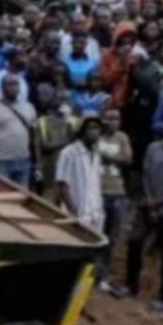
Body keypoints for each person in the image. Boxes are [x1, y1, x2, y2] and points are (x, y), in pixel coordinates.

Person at [127, 117, 163, 313]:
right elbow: (146, 175)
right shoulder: (153, 148)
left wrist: (158, 204)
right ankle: (131, 285)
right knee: (134, 241)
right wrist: (150, 200)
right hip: (147, 206)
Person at [56, 118, 109, 283]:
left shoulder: (96, 153)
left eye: (97, 128)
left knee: (90, 256)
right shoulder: (69, 152)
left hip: (95, 212)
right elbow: (62, 183)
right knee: (73, 255)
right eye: (90, 128)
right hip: (77, 213)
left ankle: (84, 290)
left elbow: (95, 183)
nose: (94, 132)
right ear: (82, 130)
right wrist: (73, 213)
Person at [97, 108, 134, 297]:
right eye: (109, 118)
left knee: (112, 237)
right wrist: (115, 159)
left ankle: (103, 276)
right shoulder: (95, 136)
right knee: (95, 234)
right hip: (96, 192)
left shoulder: (122, 138)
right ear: (103, 119)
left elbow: (128, 159)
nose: (113, 122)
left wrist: (108, 158)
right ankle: (92, 274)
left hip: (117, 192)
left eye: (116, 119)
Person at [0, 76, 37, 187]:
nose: (13, 87)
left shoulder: (29, 107)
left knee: (22, 196)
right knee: (3, 196)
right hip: (2, 161)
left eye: (15, 84)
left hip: (23, 159)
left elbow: (34, 136)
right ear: (2, 87)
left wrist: (35, 160)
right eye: (9, 84)